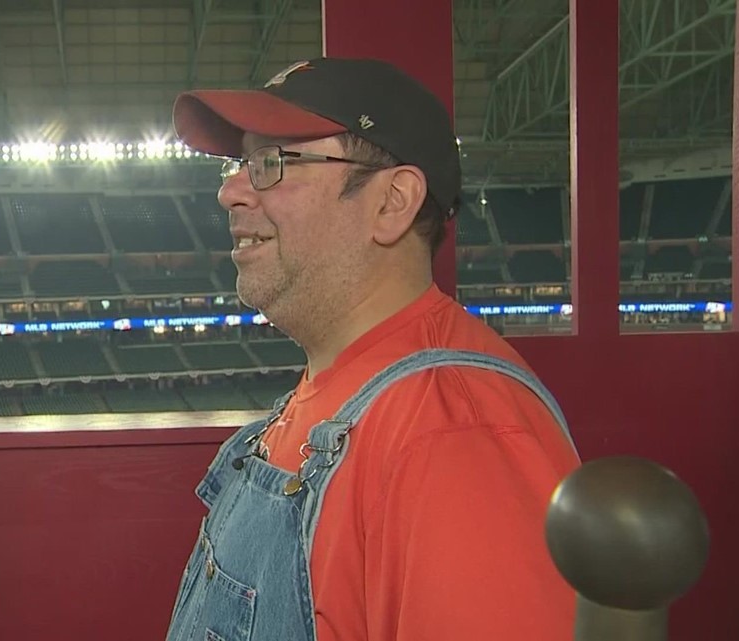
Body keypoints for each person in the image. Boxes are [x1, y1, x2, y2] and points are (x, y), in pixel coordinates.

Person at [165, 57, 582, 641]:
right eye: (239, 164)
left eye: (271, 163)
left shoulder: (454, 437)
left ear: (392, 202)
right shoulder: (345, 390)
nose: (230, 192)